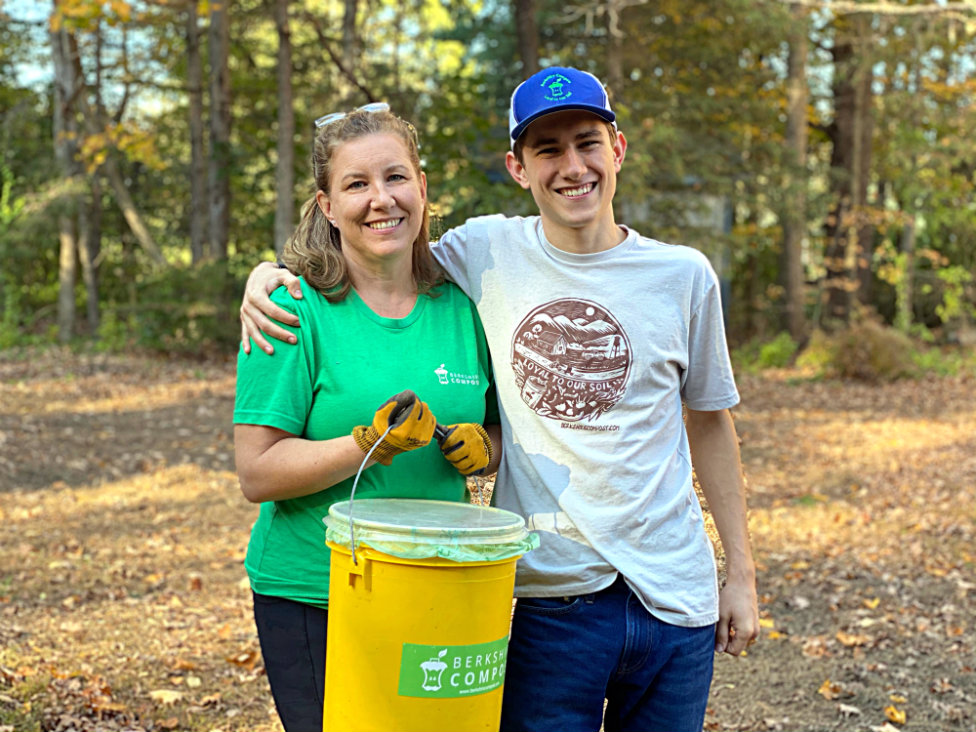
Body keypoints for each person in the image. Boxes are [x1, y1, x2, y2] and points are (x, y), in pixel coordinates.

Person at [240, 68, 758, 732]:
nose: (572, 166)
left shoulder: (672, 277)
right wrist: (265, 275)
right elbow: (365, 251)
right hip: (534, 596)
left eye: (586, 143)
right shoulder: (477, 257)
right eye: (548, 149)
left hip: (647, 599)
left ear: (618, 149)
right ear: (518, 167)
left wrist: (739, 573)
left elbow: (704, 422)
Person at [233, 103, 499, 732]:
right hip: (318, 591)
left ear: (423, 187)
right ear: (327, 205)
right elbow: (258, 473)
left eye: (395, 177)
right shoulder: (290, 307)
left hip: (438, 578)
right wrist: (366, 443)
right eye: (356, 184)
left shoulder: (465, 305)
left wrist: (482, 448)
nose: (381, 200)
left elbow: (493, 427)